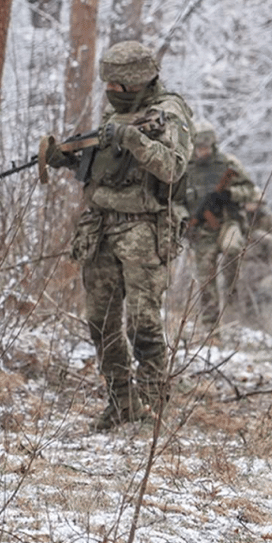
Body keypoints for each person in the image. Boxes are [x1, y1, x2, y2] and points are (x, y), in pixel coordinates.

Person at [44, 41, 194, 431]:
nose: (110, 91)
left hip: (143, 227)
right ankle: (122, 404)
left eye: (118, 85)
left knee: (142, 322)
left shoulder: (170, 112)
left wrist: (133, 140)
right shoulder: (118, 111)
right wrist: (69, 159)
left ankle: (151, 409)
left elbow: (172, 167)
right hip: (101, 226)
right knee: (100, 320)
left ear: (138, 83)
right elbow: (106, 167)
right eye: (107, 84)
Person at [183, 119, 262, 328]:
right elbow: (174, 200)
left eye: (206, 147)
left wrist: (229, 194)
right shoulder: (186, 168)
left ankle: (234, 301)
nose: (203, 152)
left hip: (228, 223)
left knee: (233, 250)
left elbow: (251, 191)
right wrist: (185, 221)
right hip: (201, 230)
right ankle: (211, 328)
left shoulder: (228, 164)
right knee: (205, 280)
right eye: (199, 148)